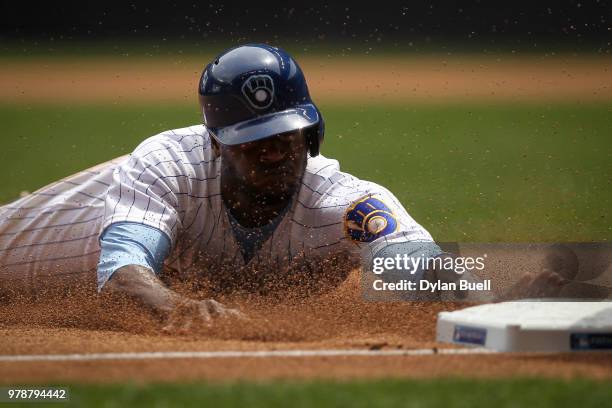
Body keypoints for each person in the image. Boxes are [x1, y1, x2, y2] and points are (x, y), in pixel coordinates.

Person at [0, 44, 442, 332]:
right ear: (216, 141)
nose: (271, 153)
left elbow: (418, 262)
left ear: (311, 131)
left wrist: (491, 288)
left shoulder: (338, 200)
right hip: (28, 240)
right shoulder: (168, 164)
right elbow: (120, 275)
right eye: (252, 141)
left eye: (284, 136)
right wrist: (177, 307)